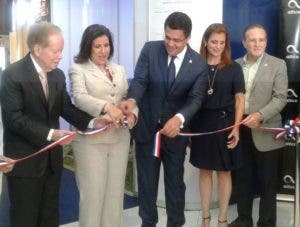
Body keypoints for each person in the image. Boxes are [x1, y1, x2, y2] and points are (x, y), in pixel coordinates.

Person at [0, 22, 104, 227]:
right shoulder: (12, 75)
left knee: (50, 217)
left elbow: (66, 108)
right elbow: (14, 119)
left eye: (62, 50)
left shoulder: (57, 75)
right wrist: (51, 134)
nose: (61, 56)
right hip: (24, 163)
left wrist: (93, 121)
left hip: (52, 163)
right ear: (37, 49)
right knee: (25, 218)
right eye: (55, 51)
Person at [120, 12, 208, 227]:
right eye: (167, 37)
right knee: (147, 183)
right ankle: (147, 223)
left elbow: (196, 99)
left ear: (187, 38)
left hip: (174, 135)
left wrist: (179, 118)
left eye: (177, 40)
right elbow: (140, 81)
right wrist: (132, 100)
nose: (170, 43)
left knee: (175, 184)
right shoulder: (150, 49)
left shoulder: (198, 63)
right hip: (146, 130)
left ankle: (175, 223)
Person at [68, 24, 137, 227]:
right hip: (91, 141)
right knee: (93, 195)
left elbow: (128, 97)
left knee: (115, 195)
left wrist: (132, 114)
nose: (103, 50)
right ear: (87, 47)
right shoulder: (77, 69)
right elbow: (79, 98)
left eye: (106, 45)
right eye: (97, 46)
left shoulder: (119, 69)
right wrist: (107, 107)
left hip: (119, 139)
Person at [229, 24, 288, 227]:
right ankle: (244, 220)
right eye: (252, 40)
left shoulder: (277, 65)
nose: (257, 43)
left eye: (261, 39)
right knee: (242, 180)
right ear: (244, 42)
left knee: (268, 184)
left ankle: (266, 223)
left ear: (266, 41)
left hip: (266, 129)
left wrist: (260, 115)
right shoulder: (234, 65)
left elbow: (280, 98)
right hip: (241, 128)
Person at [189, 23, 245, 227]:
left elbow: (240, 100)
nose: (217, 46)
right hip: (201, 125)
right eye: (214, 41)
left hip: (225, 125)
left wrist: (236, 127)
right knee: (204, 171)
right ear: (205, 41)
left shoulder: (233, 67)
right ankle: (205, 219)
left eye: (222, 43)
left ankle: (222, 220)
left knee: (224, 172)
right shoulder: (195, 65)